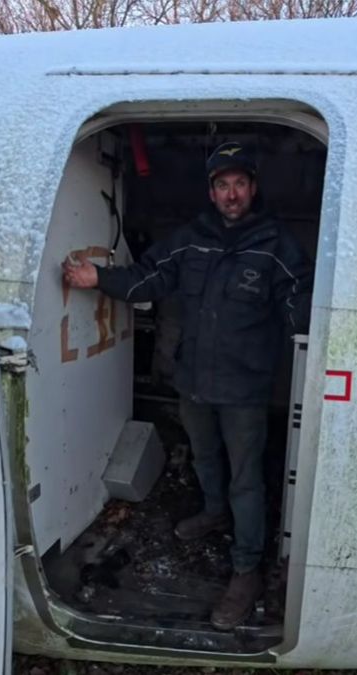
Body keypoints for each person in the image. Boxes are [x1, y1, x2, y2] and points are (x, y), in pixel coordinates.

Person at [63, 141, 312, 630]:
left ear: (253, 188)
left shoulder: (277, 246)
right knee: (203, 458)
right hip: (194, 379)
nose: (232, 193)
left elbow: (298, 310)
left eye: (240, 183)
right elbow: (148, 278)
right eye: (223, 185)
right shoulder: (191, 239)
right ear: (212, 192)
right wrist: (99, 277)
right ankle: (214, 512)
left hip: (245, 388)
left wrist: (321, 346)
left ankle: (246, 571)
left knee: (246, 476)